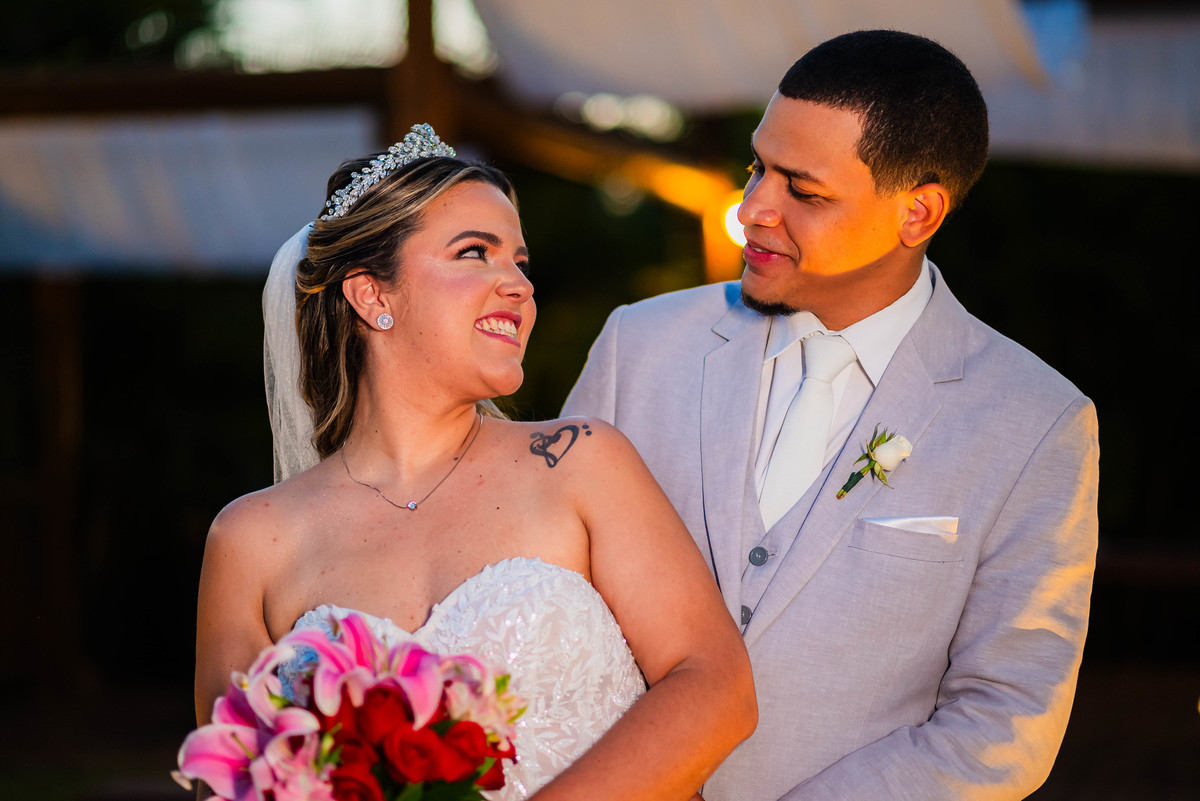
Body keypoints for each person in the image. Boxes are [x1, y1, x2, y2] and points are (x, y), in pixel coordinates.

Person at [563, 30, 1098, 801]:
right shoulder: (637, 349)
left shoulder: (1035, 423)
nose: (752, 210)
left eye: (803, 192)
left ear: (918, 213)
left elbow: (1005, 718)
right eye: (758, 167)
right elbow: (551, 599)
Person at [194, 124, 756, 801]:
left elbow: (716, 684)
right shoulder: (251, 539)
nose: (517, 285)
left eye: (520, 262)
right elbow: (235, 777)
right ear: (373, 295)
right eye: (475, 254)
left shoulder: (582, 463)